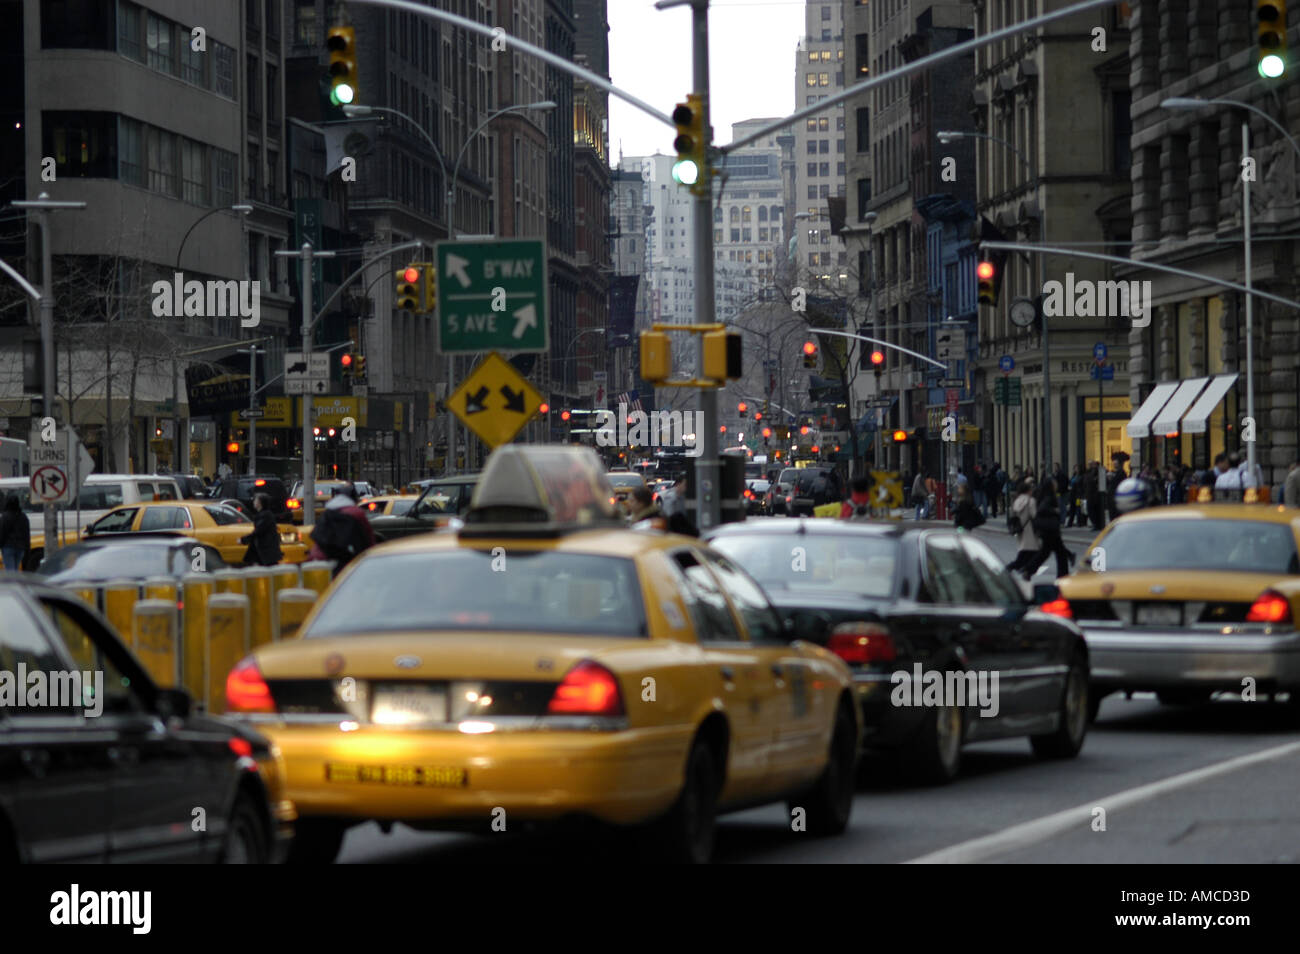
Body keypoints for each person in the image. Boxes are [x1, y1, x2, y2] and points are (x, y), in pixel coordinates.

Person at [307, 481, 376, 575]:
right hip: (345, 564)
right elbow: (367, 538)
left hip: (319, 560)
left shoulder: (327, 512)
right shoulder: (356, 513)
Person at [1024, 478, 1074, 578]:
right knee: (1053, 552)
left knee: (1049, 552)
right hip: (1050, 529)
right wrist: (1055, 511)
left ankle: (1029, 570)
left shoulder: (1045, 495)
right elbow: (1043, 509)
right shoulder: (1049, 497)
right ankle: (1062, 574)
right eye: (1054, 484)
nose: (1056, 485)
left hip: (1048, 529)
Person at [1005, 479, 1041, 579]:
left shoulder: (1017, 500)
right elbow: (1034, 515)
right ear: (1028, 491)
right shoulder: (1031, 501)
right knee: (1032, 552)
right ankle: (1017, 568)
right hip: (1030, 529)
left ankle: (1025, 570)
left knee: (1025, 552)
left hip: (1020, 529)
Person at [240, 492, 283, 566]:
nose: (253, 502)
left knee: (270, 568)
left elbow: (259, 530)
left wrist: (245, 539)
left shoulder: (265, 515)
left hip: (267, 549)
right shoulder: (263, 515)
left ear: (260, 503)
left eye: (255, 500)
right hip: (262, 549)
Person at [0, 496, 31, 572]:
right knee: (15, 569)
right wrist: (27, 547)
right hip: (20, 547)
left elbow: (2, 532)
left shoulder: (5, 516)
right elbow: (26, 533)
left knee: (10, 570)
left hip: (8, 547)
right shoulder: (23, 516)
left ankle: (13, 583)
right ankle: (15, 582)